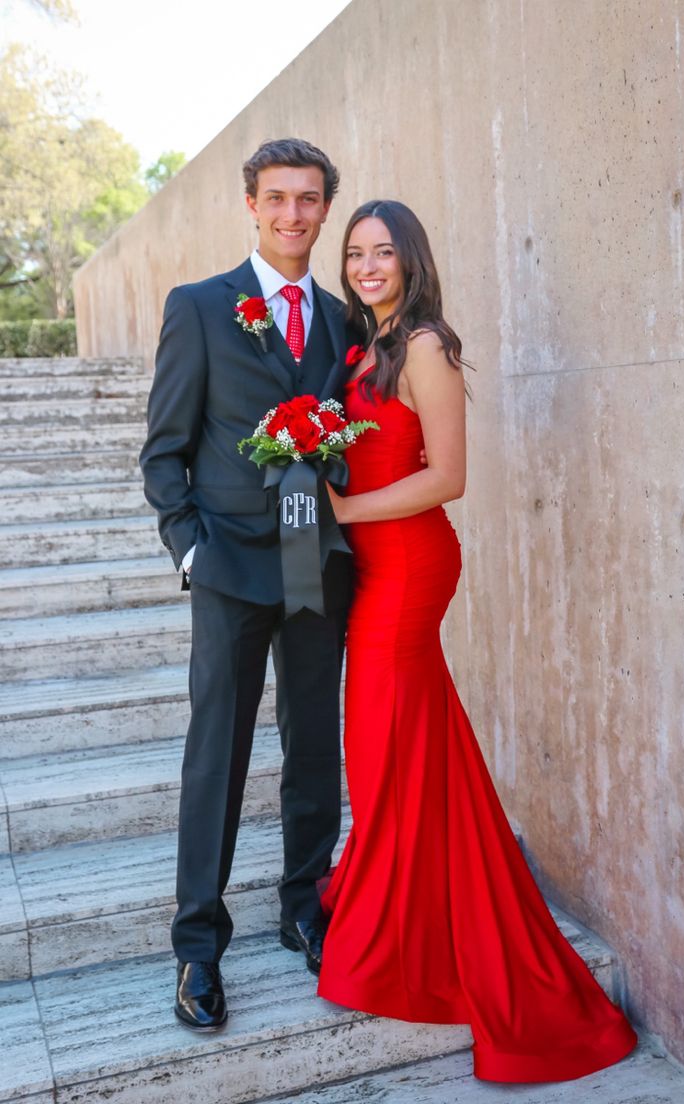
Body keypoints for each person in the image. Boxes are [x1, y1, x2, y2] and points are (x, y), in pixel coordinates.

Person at [317, 200, 638, 1082]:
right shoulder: (361, 347)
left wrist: (343, 507)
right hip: (371, 568)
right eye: (356, 253)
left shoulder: (424, 346)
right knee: (405, 747)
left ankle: (397, 941)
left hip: (411, 568)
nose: (367, 265)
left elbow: (446, 479)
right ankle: (407, 906)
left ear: (411, 260)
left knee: (384, 742)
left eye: (383, 252)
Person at [140, 138, 354, 1031]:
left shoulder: (346, 320)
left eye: (309, 199)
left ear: (323, 208)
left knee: (313, 745)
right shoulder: (199, 307)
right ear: (251, 205)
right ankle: (198, 946)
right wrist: (189, 548)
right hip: (228, 564)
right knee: (216, 755)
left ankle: (303, 907)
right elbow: (163, 452)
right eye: (278, 198)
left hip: (316, 564)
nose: (294, 215)